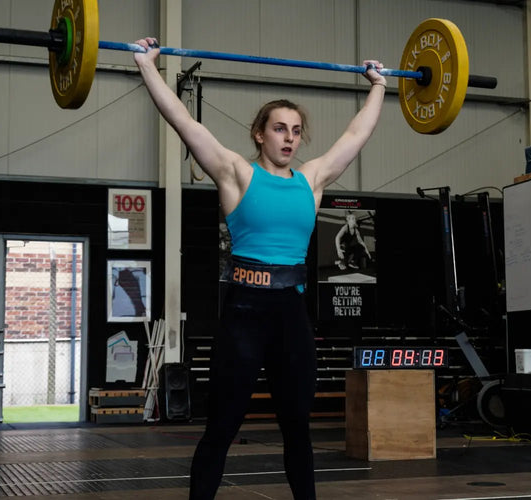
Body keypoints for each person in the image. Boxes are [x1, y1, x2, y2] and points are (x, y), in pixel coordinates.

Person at [133, 37, 386, 500]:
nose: (289, 138)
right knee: (221, 427)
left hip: (291, 315)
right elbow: (184, 121)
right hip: (244, 314)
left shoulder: (312, 180)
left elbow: (355, 136)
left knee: (298, 429)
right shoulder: (236, 173)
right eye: (279, 129)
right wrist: (147, 65)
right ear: (259, 134)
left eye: (296, 131)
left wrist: (379, 87)